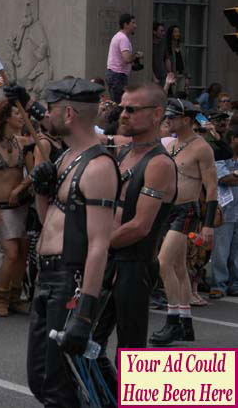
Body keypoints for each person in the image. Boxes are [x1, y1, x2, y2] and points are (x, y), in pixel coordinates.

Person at [26, 78, 119, 407]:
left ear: (68, 113)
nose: (44, 116)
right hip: (46, 276)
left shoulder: (98, 167)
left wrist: (84, 313)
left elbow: (98, 244)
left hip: (71, 280)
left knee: (59, 387)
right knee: (40, 379)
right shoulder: (66, 158)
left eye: (50, 110)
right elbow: (47, 220)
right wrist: (41, 191)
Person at [91, 83, 177, 393]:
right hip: (109, 261)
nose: (123, 114)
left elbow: (140, 225)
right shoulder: (124, 150)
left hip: (134, 265)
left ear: (156, 114)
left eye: (131, 109)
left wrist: (97, 245)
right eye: (122, 108)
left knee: (130, 352)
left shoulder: (159, 164)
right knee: (86, 344)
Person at [150, 98, 218, 345]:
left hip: (187, 211)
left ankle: (172, 322)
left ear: (187, 120)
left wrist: (208, 225)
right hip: (168, 210)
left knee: (164, 262)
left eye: (172, 117)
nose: (167, 121)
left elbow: (212, 190)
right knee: (177, 268)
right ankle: (185, 324)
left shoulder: (201, 148)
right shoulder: (171, 145)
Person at [0, 99, 34, 316]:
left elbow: (33, 173)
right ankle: (0, 296)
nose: (21, 116)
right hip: (1, 207)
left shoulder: (24, 142)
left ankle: (15, 295)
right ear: (6, 117)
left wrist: (19, 188)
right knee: (10, 253)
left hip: (22, 205)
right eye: (16, 113)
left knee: (22, 253)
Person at [210, 128, 238, 299]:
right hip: (224, 212)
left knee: (236, 253)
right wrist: (233, 175)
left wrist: (234, 175)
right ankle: (219, 285)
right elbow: (224, 179)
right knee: (220, 251)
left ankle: (235, 284)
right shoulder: (221, 158)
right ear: (234, 139)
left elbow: (232, 178)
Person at [106, 13, 142, 103]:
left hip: (115, 75)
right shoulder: (123, 38)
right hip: (118, 76)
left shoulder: (119, 36)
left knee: (117, 104)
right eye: (133, 23)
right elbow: (127, 59)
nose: (135, 26)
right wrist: (137, 55)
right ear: (126, 24)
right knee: (119, 105)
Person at [166, 25, 188, 97]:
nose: (177, 34)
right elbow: (167, 60)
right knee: (173, 94)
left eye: (178, 32)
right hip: (174, 74)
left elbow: (185, 61)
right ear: (171, 34)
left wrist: (187, 77)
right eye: (175, 32)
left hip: (182, 74)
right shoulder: (168, 46)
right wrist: (170, 73)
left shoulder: (182, 46)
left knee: (181, 95)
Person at [152, 22, 171, 87]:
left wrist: (169, 73)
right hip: (153, 77)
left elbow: (167, 59)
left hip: (163, 76)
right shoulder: (150, 45)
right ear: (154, 31)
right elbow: (147, 63)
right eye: (161, 31)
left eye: (164, 31)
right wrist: (153, 77)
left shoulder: (163, 44)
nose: (163, 33)